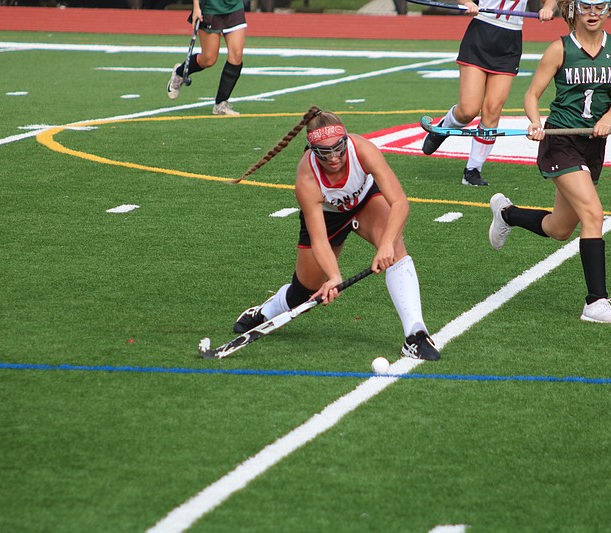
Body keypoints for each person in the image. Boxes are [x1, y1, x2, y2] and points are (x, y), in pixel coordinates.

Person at [231, 107, 440, 361]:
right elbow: (319, 240)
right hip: (327, 218)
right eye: (324, 152)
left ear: (346, 140)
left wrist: (385, 244)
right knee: (306, 291)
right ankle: (268, 310)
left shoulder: (363, 149)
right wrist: (334, 277)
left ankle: (415, 335)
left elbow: (400, 203)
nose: (333, 158)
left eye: (338, 148)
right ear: (311, 150)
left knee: (395, 249)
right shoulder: (307, 178)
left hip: (364, 202)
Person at [487, 0, 611, 324]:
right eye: (586, 6)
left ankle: (507, 214)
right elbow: (531, 95)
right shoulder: (559, 49)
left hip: (593, 143)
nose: (593, 13)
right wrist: (536, 122)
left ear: (609, 10)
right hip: (561, 140)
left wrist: (608, 117)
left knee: (560, 228)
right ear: (575, 10)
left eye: (600, 6)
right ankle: (595, 302)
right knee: (593, 214)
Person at [421, 0, 556, 186]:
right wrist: (468, 2)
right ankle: (444, 128)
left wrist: (548, 7)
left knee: (493, 108)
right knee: (468, 110)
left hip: (510, 40)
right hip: (481, 32)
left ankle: (472, 170)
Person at [166, 0, 246, 116]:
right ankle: (179, 73)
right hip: (210, 7)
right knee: (208, 59)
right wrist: (196, 7)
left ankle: (221, 104)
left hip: (234, 6)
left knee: (236, 55)